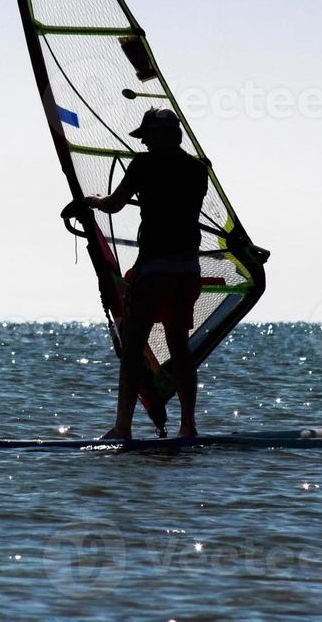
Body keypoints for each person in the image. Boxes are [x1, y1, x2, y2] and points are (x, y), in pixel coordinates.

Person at [83, 108, 209, 441]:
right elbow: (174, 199)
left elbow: (114, 204)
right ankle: (188, 426)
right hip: (187, 270)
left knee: (133, 347)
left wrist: (91, 201)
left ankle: (122, 427)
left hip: (154, 270)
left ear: (161, 136)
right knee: (179, 347)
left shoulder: (144, 165)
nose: (147, 144)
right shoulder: (198, 170)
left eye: (149, 138)